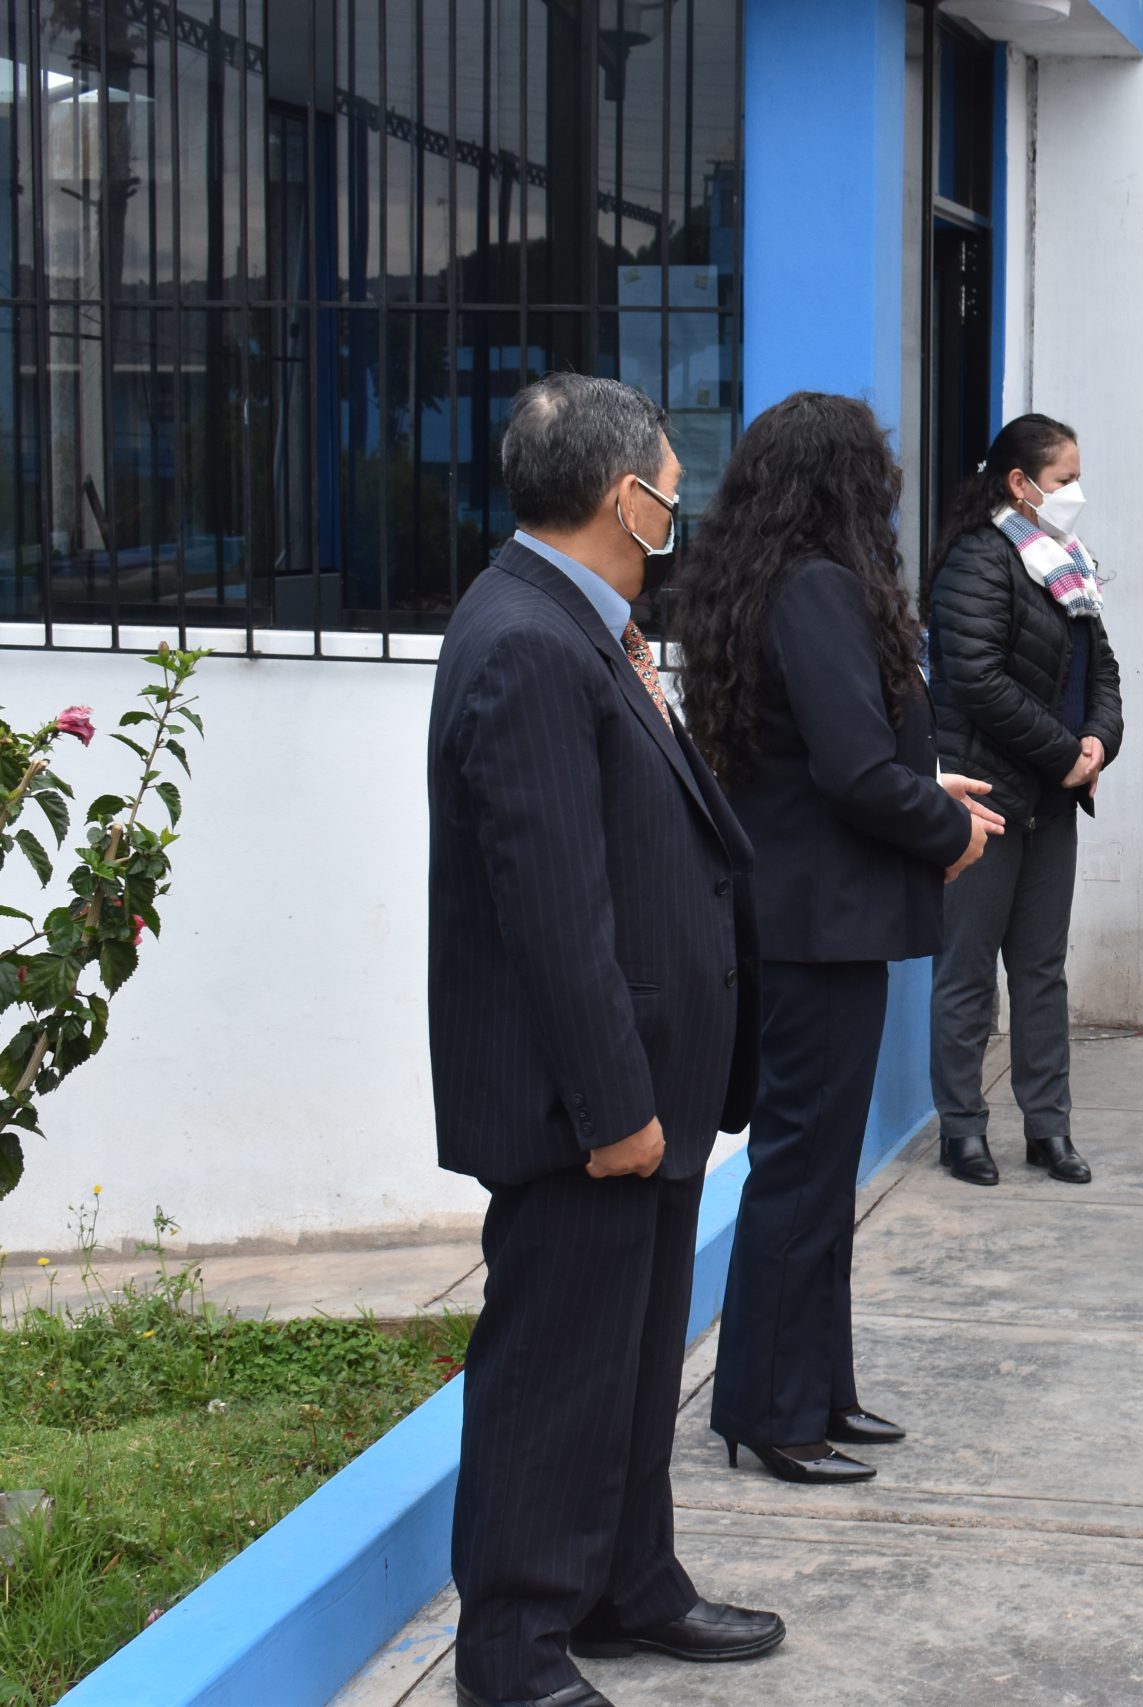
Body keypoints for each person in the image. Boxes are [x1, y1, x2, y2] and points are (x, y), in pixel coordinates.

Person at [427, 373, 781, 1707]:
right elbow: (551, 905)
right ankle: (513, 1649)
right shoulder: (522, 638)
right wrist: (614, 1101)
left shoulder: (585, 629)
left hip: (649, 1087)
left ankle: (631, 1581)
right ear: (624, 493)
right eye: (671, 484)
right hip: (588, 1104)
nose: (678, 502)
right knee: (551, 1375)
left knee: (632, 1365)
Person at [674, 391, 997, 1487]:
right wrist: (946, 826)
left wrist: (922, 783)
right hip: (813, 931)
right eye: (874, 472)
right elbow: (851, 773)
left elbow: (819, 758)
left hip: (806, 920)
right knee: (800, 1178)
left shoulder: (768, 580)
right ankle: (768, 1411)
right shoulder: (816, 589)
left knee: (815, 1174)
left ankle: (817, 1390)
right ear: (843, 482)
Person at [926, 414, 1124, 1186]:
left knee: (1042, 970)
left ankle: (1049, 1128)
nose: (1075, 492)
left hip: (1051, 801)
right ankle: (962, 1130)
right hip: (987, 798)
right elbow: (975, 680)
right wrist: (1065, 754)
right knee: (968, 971)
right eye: (1065, 477)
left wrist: (1098, 744)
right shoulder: (981, 559)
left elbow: (1103, 671)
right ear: (1020, 482)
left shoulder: (1066, 562)